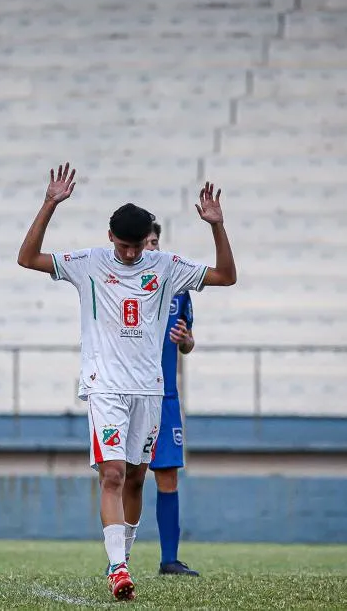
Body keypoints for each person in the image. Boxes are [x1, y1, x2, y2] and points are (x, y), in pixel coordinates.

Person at [17, 164, 236, 601]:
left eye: (137, 246)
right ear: (110, 237)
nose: (132, 254)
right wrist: (49, 204)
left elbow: (226, 276)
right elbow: (27, 258)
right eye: (124, 246)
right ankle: (118, 569)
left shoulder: (166, 266)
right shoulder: (89, 263)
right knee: (113, 474)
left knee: (137, 477)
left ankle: (123, 556)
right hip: (105, 387)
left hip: (150, 389)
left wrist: (217, 226)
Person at [144, 223, 200, 577]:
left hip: (166, 397)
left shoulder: (178, 285)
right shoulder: (119, 284)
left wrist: (185, 340)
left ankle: (169, 559)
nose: (151, 248)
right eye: (145, 243)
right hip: (132, 394)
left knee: (168, 476)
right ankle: (119, 560)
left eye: (154, 242)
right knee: (127, 476)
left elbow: (188, 341)